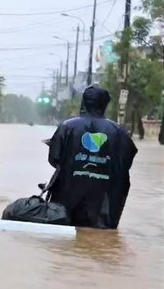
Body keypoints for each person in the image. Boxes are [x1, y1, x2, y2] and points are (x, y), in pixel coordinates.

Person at [46, 84, 137, 229]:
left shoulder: (67, 127)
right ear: (105, 104)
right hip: (103, 209)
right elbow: (126, 161)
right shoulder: (118, 132)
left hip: (67, 205)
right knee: (102, 239)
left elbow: (54, 159)